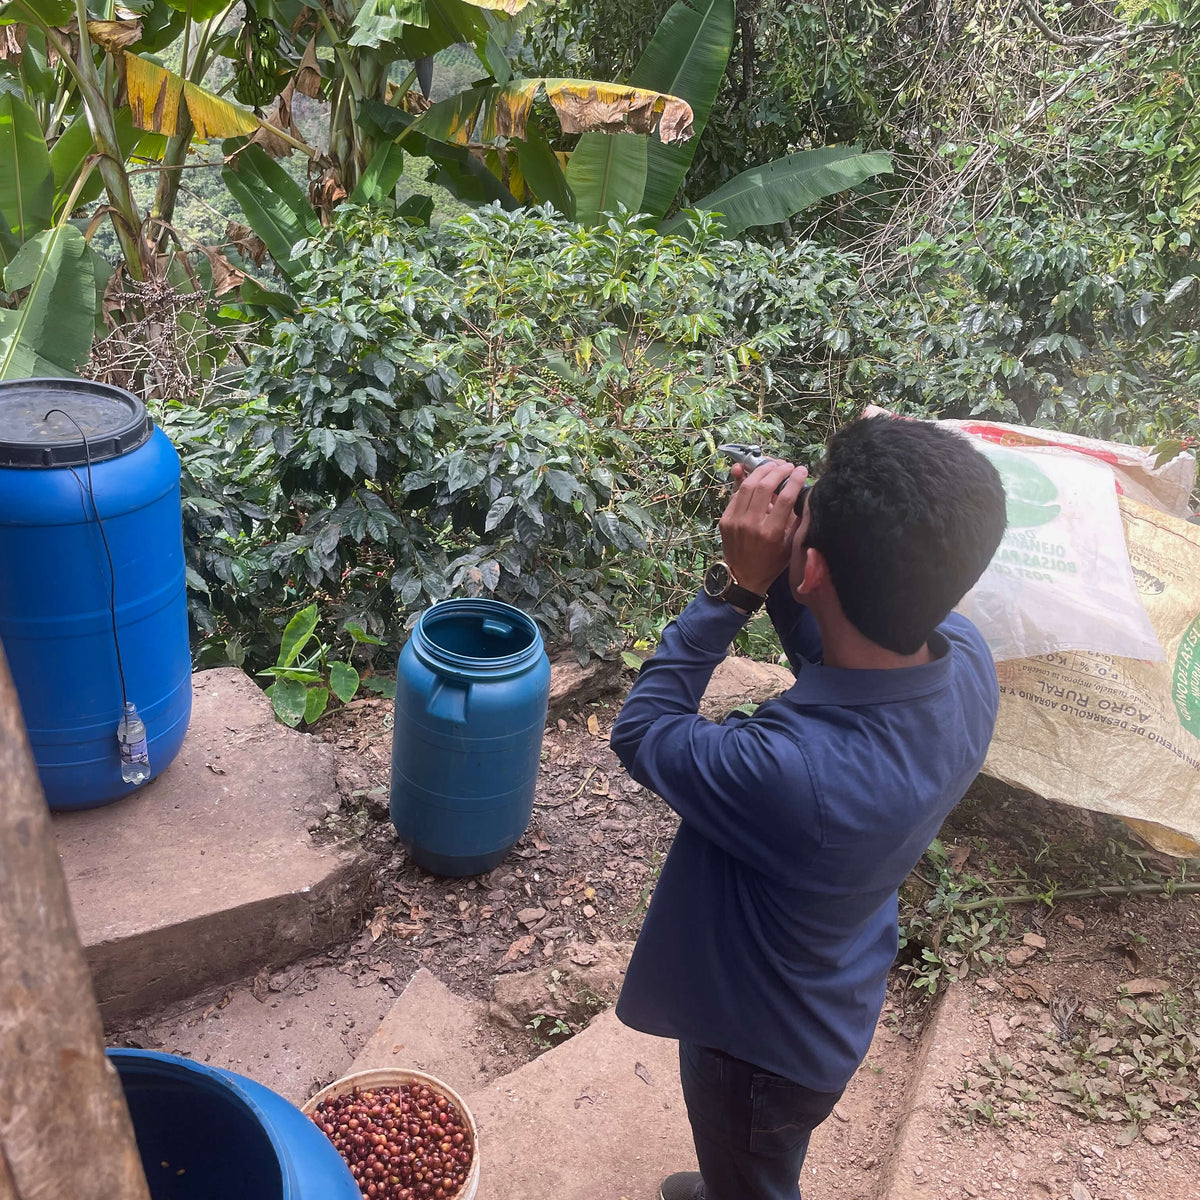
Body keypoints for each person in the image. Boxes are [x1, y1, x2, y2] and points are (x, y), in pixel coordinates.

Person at [608, 415, 1008, 1200]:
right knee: (750, 1158)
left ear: (814, 568)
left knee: (750, 1168)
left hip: (757, 1047)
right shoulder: (966, 661)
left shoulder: (794, 777)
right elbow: (841, 647)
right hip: (831, 990)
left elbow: (644, 729)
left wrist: (735, 588)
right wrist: (801, 566)